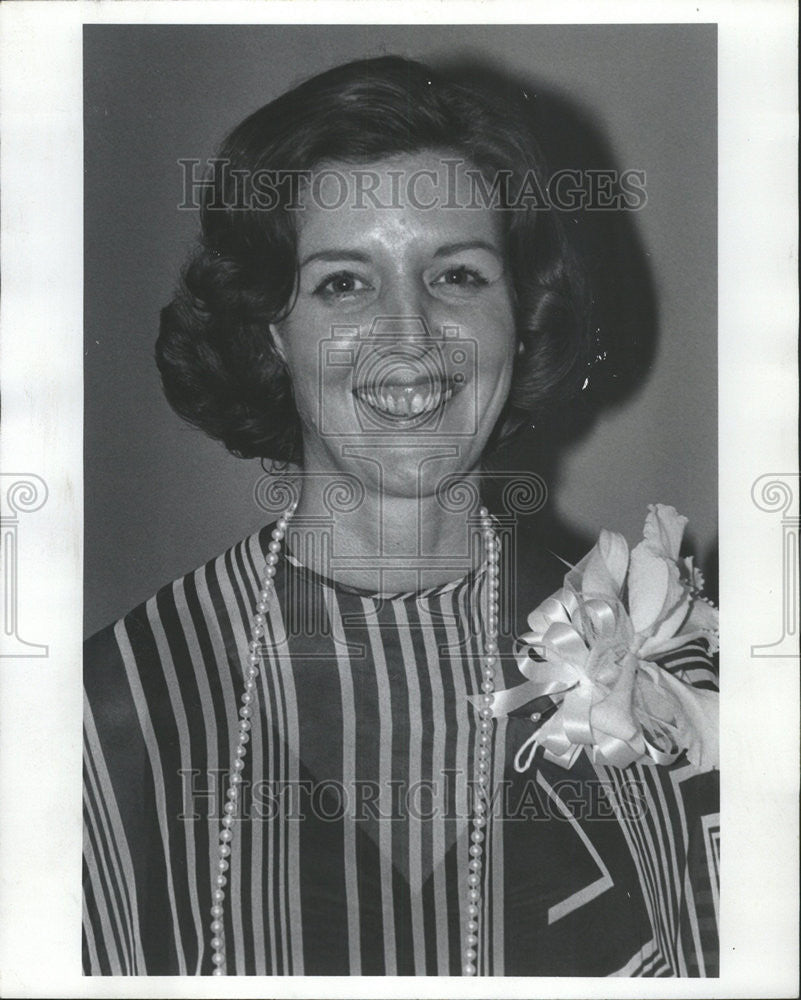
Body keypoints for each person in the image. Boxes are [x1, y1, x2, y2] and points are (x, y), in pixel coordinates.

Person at [83, 55, 719, 977]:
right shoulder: (106, 720)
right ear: (271, 328)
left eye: (457, 276)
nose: (409, 337)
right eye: (344, 283)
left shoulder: (688, 689)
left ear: (521, 317)